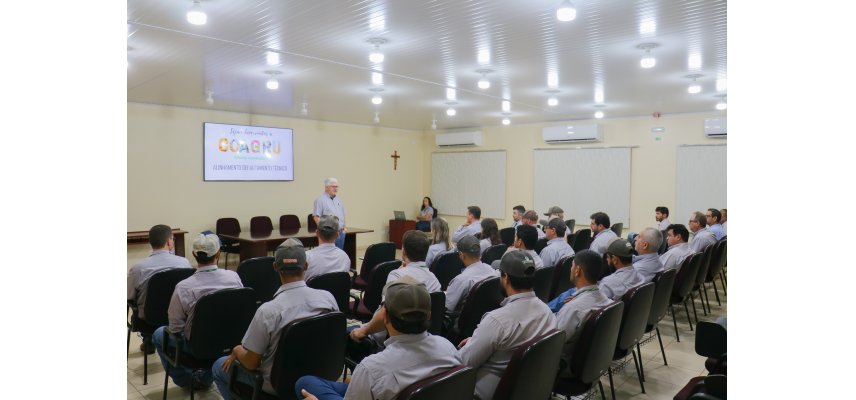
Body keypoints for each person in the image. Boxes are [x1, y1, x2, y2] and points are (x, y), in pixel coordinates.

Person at [295, 277, 462, 400]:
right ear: (429, 315)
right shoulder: (449, 348)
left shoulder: (372, 369)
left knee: (305, 383)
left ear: (386, 317)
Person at [212, 239, 338, 400]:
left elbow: (251, 363)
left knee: (218, 366)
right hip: (320, 380)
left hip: (276, 387)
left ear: (275, 267)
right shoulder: (328, 299)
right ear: (306, 266)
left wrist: (237, 350)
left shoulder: (268, 311)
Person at [457, 251, 557, 400]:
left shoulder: (496, 321)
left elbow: (464, 363)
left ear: (505, 278)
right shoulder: (547, 313)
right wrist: (477, 339)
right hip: (531, 390)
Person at [152, 233, 243, 390]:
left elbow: (175, 328)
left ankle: (187, 381)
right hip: (231, 343)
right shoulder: (234, 277)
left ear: (194, 255)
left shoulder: (184, 287)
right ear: (219, 253)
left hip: (197, 349)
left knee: (159, 333)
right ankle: (208, 375)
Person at [348, 230, 441, 344]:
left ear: (403, 252)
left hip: (392, 339)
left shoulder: (396, 275)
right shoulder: (434, 279)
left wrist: (364, 331)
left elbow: (384, 314)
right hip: (423, 337)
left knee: (349, 332)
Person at [127, 224, 192, 353]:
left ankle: (148, 340)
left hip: (148, 320)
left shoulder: (138, 268)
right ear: (169, 241)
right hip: (179, 318)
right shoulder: (184, 263)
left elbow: (129, 296)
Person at [554, 250, 612, 378]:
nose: (570, 269)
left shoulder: (574, 309)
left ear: (577, 270)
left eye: (572, 266)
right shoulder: (608, 301)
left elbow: (553, 343)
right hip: (594, 363)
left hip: (564, 367)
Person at [547, 238, 641, 311]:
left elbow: (593, 300)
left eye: (607, 257)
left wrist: (577, 298)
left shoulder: (609, 283)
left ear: (615, 259)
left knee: (569, 294)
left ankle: (545, 312)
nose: (606, 260)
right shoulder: (639, 275)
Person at [444, 236, 499, 329]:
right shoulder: (494, 272)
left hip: (462, 326)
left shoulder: (461, 280)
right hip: (488, 323)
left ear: (462, 255)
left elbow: (447, 308)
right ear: (479, 253)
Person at [304, 215, 351, 282]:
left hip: (315, 292)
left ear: (317, 233)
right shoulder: (344, 257)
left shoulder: (307, 258)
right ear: (337, 235)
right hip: (337, 292)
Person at [312, 177, 346, 249]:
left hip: (340, 233)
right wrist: (325, 232)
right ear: (326, 187)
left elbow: (342, 215)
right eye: (333, 186)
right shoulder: (320, 200)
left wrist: (344, 228)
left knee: (338, 255)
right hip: (329, 234)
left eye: (337, 187)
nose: (335, 189)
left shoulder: (339, 200)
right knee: (329, 256)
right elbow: (316, 217)